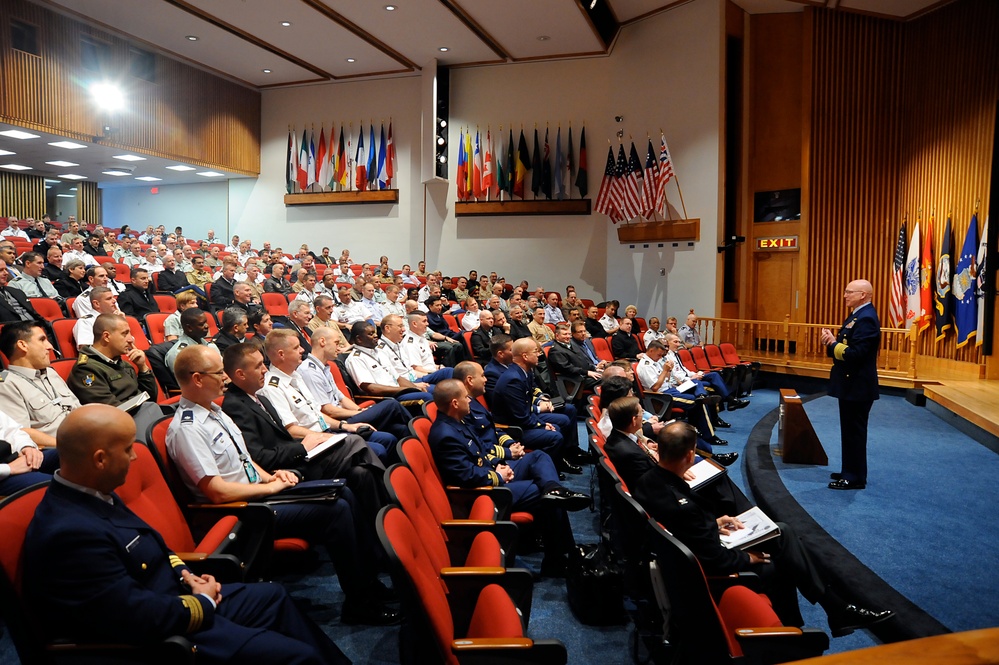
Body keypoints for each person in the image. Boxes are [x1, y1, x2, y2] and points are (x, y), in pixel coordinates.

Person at [22, 404, 351, 664]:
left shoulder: (93, 491)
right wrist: (202, 601)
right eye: (127, 449)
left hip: (174, 596)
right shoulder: (70, 532)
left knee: (272, 596)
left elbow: (151, 544)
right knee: (296, 657)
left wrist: (185, 574)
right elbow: (133, 616)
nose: (134, 457)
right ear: (100, 459)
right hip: (164, 637)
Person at [166, 345, 399, 626]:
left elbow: (245, 460)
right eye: (218, 373)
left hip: (260, 493)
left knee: (344, 491)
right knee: (336, 509)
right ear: (197, 379)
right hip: (244, 512)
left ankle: (371, 584)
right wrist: (269, 488)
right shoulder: (187, 428)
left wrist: (272, 477)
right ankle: (360, 603)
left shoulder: (215, 411)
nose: (225, 378)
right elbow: (217, 491)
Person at [632, 420, 893, 636]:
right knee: (778, 559)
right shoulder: (683, 506)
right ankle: (803, 627)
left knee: (782, 532)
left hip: (689, 550)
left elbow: (685, 527)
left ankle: (830, 611)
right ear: (690, 455)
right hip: (703, 568)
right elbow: (715, 559)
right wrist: (749, 558)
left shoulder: (646, 481)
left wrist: (713, 523)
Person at [430, 374, 589, 577]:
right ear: (455, 403)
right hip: (482, 493)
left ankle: (554, 488)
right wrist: (497, 474)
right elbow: (466, 476)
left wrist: (498, 462)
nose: (469, 400)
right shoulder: (446, 434)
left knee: (539, 458)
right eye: (465, 397)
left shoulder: (456, 422)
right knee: (541, 494)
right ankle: (557, 558)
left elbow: (481, 449)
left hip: (492, 470)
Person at [221, 341, 391, 528]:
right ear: (241, 374)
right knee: (355, 442)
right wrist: (303, 447)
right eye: (258, 366)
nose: (264, 370)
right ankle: (392, 503)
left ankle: (378, 530)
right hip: (287, 470)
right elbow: (259, 457)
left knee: (362, 473)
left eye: (263, 363)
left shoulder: (259, 397)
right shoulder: (235, 406)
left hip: (300, 457)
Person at [491, 337, 584, 473]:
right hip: (513, 428)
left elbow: (526, 407)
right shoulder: (513, 379)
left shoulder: (525, 371)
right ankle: (544, 469)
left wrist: (541, 416)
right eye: (535, 351)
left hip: (524, 419)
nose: (539, 354)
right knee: (555, 435)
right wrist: (542, 425)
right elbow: (520, 416)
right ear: (525, 356)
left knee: (562, 420)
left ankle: (562, 458)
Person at [820, 279, 880, 490]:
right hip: (851, 384)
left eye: (849, 292)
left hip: (858, 386)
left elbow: (856, 354)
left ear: (863, 295)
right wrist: (832, 342)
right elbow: (847, 345)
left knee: (854, 432)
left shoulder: (866, 318)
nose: (845, 295)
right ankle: (849, 470)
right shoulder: (858, 315)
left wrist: (833, 343)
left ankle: (854, 477)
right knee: (849, 431)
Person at [0, 321, 81, 447]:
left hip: (84, 434)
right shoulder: (7, 384)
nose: (50, 346)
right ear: (22, 345)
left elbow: (77, 408)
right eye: (42, 340)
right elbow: (20, 432)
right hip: (61, 449)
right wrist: (69, 446)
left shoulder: (50, 372)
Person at [68, 313, 157, 409]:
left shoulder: (123, 363)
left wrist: (142, 367)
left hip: (144, 412)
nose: (131, 339)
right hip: (124, 417)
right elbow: (111, 410)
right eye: (125, 333)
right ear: (106, 336)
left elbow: (151, 398)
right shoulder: (86, 369)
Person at [164, 308, 220, 375]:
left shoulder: (211, 346)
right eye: (201, 324)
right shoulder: (178, 354)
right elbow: (184, 380)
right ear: (189, 328)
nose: (206, 326)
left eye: (206, 322)